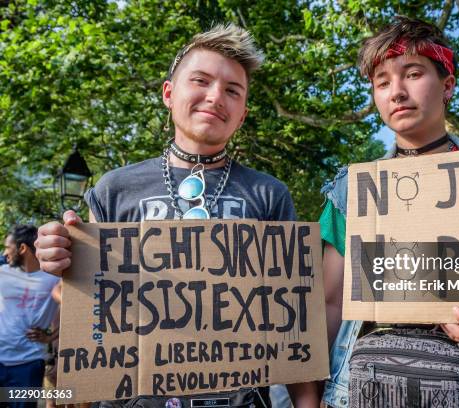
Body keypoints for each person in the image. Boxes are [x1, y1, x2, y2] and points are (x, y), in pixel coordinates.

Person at [35, 23, 302, 407]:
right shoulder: (114, 188)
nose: (215, 97)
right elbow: (90, 303)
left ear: (242, 114)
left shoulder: (270, 194)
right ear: (168, 93)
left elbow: (293, 320)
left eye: (232, 90)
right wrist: (61, 254)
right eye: (201, 81)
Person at [298, 17, 459, 407]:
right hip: (362, 390)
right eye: (382, 82)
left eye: (412, 74)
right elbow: (330, 302)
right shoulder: (350, 190)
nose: (396, 92)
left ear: (447, 86)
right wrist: (317, 397)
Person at [0, 225, 60, 408]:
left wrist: (51, 336)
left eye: (7, 247)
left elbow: (76, 314)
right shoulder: (2, 273)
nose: (5, 253)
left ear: (22, 248)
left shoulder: (55, 279)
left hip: (29, 364)